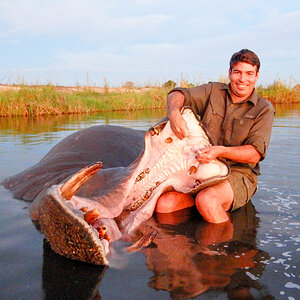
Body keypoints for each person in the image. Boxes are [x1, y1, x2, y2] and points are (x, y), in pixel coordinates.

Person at [155, 49, 275, 224]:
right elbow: (177, 94)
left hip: (239, 173)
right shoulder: (213, 91)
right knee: (163, 205)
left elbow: (254, 154)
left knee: (207, 200)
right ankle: (183, 247)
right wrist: (174, 114)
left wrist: (219, 151)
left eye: (249, 74)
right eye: (238, 72)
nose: (243, 79)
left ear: (256, 76)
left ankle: (226, 247)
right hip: (200, 168)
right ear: (230, 73)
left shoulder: (264, 109)